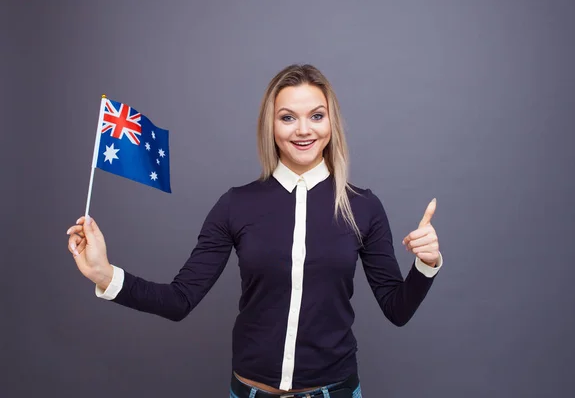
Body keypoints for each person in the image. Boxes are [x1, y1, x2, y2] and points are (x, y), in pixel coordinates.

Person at [66, 64, 443, 398]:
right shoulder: (236, 205)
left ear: (332, 123)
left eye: (316, 115)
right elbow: (179, 300)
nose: (303, 130)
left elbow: (397, 309)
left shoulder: (363, 206)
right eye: (287, 117)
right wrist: (105, 274)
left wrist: (427, 264)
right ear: (271, 125)